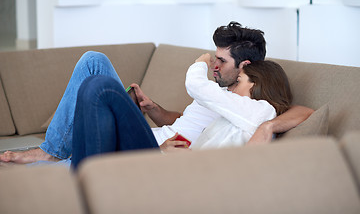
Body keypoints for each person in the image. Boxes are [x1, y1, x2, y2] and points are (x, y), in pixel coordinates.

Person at [0, 21, 313, 165]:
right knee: (94, 62)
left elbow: (296, 110)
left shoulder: (246, 105)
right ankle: (55, 151)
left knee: (98, 84)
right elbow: (185, 123)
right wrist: (153, 110)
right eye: (213, 58)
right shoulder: (220, 94)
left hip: (150, 150)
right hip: (154, 136)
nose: (215, 65)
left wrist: (200, 63)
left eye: (221, 60)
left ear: (245, 66)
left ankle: (54, 154)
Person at [71, 53, 292, 169]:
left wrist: (201, 63)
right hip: (165, 158)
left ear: (254, 85)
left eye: (239, 81)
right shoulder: (240, 115)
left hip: (169, 169)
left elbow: (196, 85)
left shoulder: (257, 110)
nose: (231, 87)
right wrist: (166, 149)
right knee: (95, 85)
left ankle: (87, 180)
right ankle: (85, 183)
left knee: (99, 86)